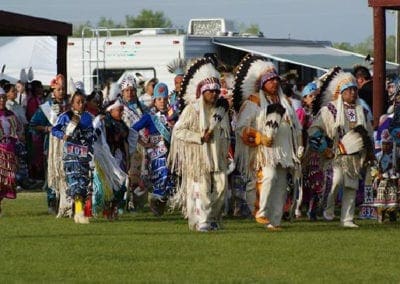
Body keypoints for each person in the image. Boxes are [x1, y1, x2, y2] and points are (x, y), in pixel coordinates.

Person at [233, 55, 303, 231]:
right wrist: (259, 137)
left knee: (280, 186)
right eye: (270, 80)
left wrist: (299, 146)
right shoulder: (254, 101)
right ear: (262, 83)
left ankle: (275, 221)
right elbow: (241, 127)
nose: (274, 83)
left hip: (284, 151)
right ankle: (260, 212)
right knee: (269, 176)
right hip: (264, 150)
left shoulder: (285, 102)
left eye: (276, 80)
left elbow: (296, 127)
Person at [169, 56, 230, 232]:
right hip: (198, 156)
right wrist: (199, 137)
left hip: (217, 157)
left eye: (216, 91)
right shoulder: (192, 109)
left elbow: (226, 134)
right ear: (202, 92)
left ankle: (212, 219)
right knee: (202, 189)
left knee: (221, 188)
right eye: (210, 91)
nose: (214, 94)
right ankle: (202, 220)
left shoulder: (221, 111)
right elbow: (179, 131)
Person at [309, 68, 373, 228]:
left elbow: (369, 134)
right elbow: (314, 131)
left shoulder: (363, 112)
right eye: (348, 90)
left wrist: (369, 153)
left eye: (354, 89)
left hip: (355, 156)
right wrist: (324, 148)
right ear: (341, 92)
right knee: (335, 180)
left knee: (351, 186)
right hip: (335, 154)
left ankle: (347, 219)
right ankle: (326, 209)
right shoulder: (329, 109)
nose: (352, 92)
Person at [131, 82, 176, 216]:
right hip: (155, 154)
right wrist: (143, 144)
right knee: (161, 176)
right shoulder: (149, 117)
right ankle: (152, 201)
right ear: (154, 100)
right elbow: (133, 130)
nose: (162, 102)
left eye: (164, 99)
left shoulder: (173, 115)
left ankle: (158, 207)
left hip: (171, 153)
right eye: (159, 99)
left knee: (169, 181)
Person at [52, 92, 94, 224]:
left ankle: (85, 212)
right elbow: (55, 129)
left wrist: (88, 139)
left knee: (85, 184)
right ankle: (79, 212)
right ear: (72, 103)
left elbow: (92, 135)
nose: (81, 104)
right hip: (71, 154)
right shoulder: (66, 116)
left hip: (84, 155)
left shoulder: (89, 117)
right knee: (75, 182)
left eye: (83, 102)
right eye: (78, 102)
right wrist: (63, 135)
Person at [30, 74, 70, 215]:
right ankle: (52, 202)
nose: (62, 92)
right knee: (53, 173)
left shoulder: (70, 105)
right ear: (53, 90)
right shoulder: (46, 107)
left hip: (69, 143)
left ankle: (67, 202)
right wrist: (47, 129)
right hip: (52, 145)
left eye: (63, 89)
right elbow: (33, 124)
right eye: (59, 89)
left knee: (68, 172)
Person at [0, 89, 21, 216]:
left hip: (9, 151)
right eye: (0, 98)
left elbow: (16, 133)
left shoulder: (10, 115)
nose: (1, 100)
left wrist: (15, 153)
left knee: (6, 181)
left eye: (3, 97)